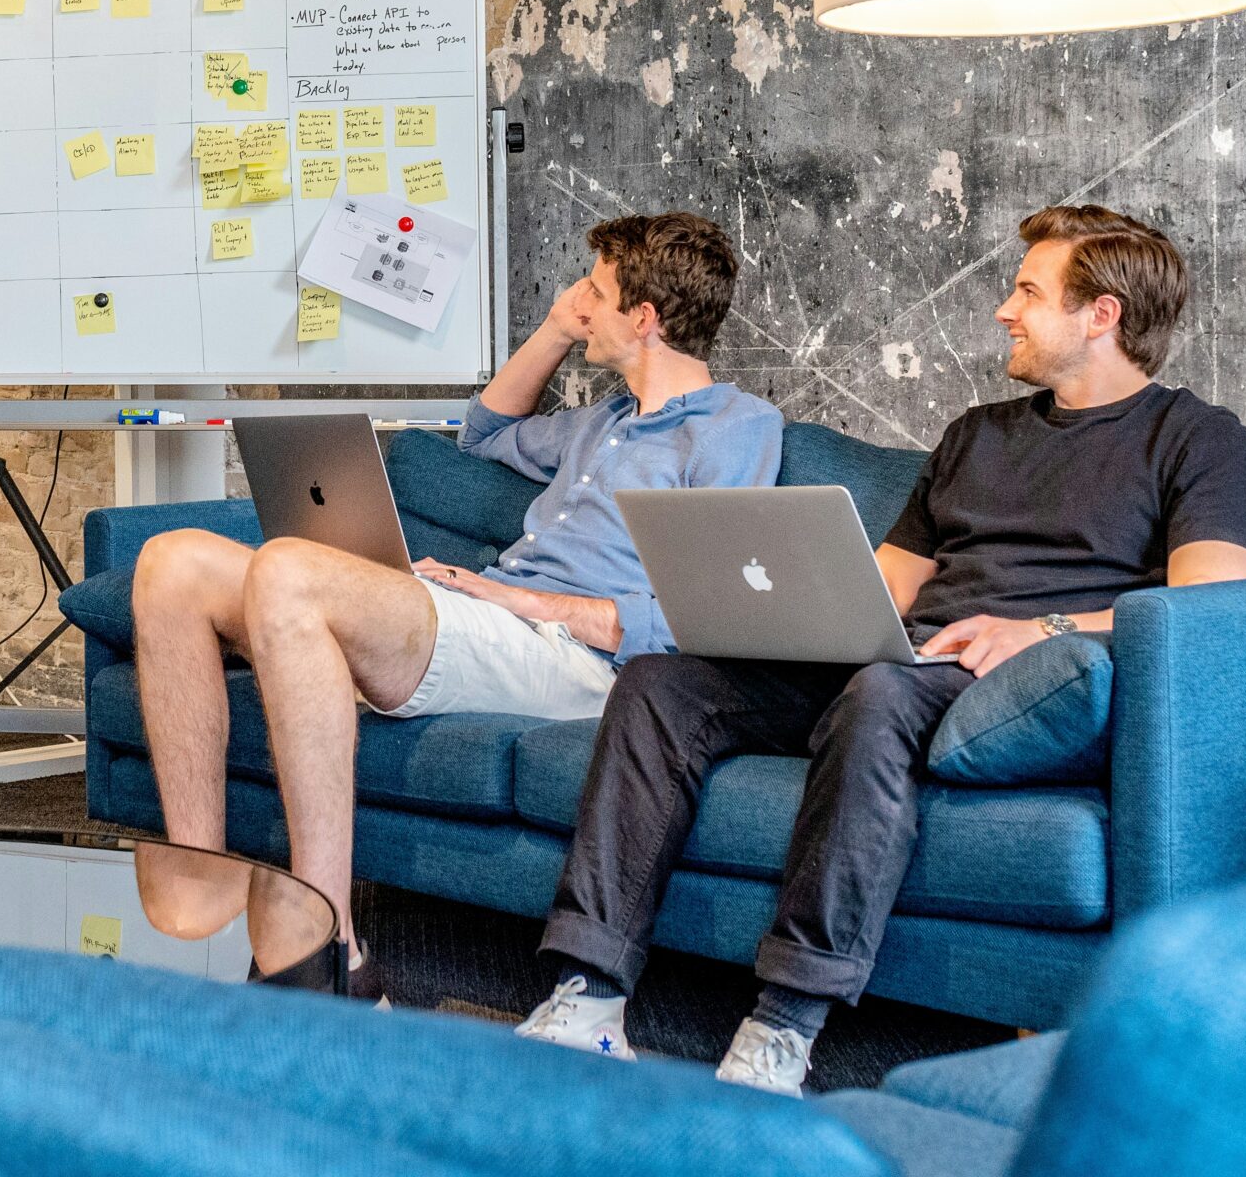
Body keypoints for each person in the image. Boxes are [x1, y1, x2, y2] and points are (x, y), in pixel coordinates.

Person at [520, 204, 1246, 1092]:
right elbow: (883, 587)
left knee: (879, 692)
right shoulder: (977, 434)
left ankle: (783, 1026)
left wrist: (1042, 628)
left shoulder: (1200, 440)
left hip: (1027, 682)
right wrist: (782, 615)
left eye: (1028, 291)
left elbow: (1212, 604)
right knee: (661, 682)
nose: (1004, 307)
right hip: (907, 663)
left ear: (1101, 314)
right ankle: (589, 995)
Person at [131, 211, 783, 991]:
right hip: (492, 624)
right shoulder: (600, 424)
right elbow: (482, 433)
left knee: (290, 571)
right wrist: (551, 330)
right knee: (171, 563)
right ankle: (201, 867)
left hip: (574, 660)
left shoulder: (736, 429)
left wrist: (525, 602)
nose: (579, 300)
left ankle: (330, 940)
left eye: (595, 291)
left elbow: (702, 617)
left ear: (644, 318)